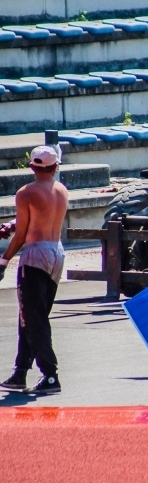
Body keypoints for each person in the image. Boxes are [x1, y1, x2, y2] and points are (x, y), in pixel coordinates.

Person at [0, 146, 69, 394]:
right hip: (56, 252)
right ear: (55, 167)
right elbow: (39, 217)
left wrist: (4, 261)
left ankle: (50, 375)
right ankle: (20, 372)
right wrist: (13, 224)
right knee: (30, 316)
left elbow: (21, 236)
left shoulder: (25, 192)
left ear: (31, 167)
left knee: (34, 318)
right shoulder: (61, 190)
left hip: (35, 255)